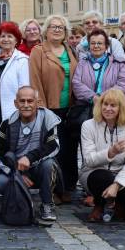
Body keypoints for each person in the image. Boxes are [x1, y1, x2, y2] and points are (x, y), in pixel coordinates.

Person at [0, 86, 62, 226]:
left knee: (48, 165)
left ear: (37, 102)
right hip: (16, 169)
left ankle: (47, 205)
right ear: (15, 103)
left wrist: (30, 158)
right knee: (0, 183)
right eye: (22, 101)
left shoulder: (48, 118)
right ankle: (16, 202)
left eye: (30, 101)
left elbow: (52, 146)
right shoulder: (7, 123)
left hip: (39, 167)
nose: (26, 105)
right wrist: (16, 174)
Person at [28, 15, 77, 198]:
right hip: (50, 107)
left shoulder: (70, 50)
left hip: (70, 108)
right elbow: (35, 82)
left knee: (69, 150)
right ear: (45, 30)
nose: (57, 30)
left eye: (61, 27)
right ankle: (54, 189)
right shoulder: (38, 51)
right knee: (53, 149)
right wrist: (41, 109)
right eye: (53, 27)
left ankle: (69, 187)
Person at [79, 88, 125, 222]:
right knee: (101, 177)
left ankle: (119, 203)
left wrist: (117, 184)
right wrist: (110, 152)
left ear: (121, 108)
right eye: (105, 104)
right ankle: (99, 205)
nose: (108, 109)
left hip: (120, 172)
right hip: (94, 172)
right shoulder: (88, 125)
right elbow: (89, 160)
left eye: (113, 105)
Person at [0, 22, 30, 142]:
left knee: (11, 149)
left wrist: (23, 113)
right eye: (2, 36)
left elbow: (24, 89)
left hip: (13, 114)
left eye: (10, 36)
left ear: (16, 40)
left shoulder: (22, 60)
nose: (6, 39)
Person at [72, 29, 125, 103]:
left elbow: (123, 86)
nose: (96, 46)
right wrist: (93, 98)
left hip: (111, 106)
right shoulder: (82, 63)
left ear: (106, 46)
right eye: (93, 43)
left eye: (100, 43)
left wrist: (104, 99)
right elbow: (76, 84)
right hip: (87, 107)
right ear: (89, 46)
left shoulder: (119, 63)